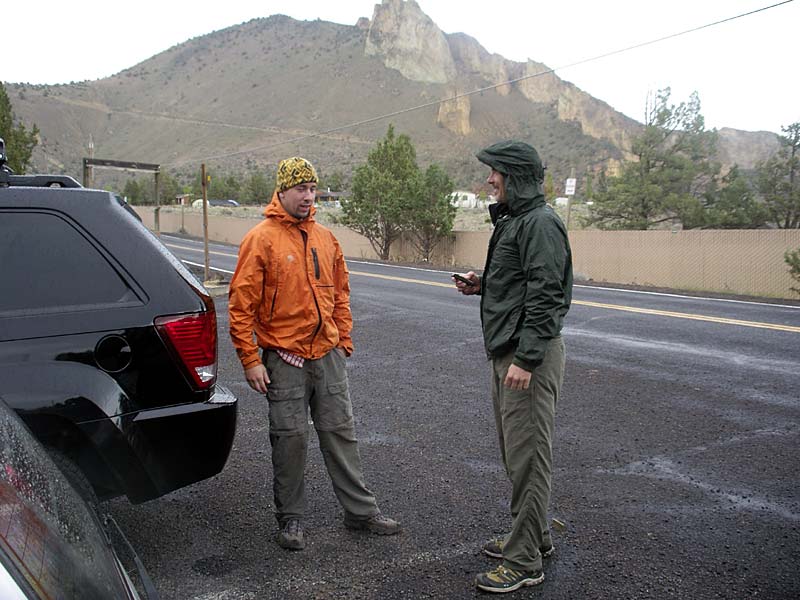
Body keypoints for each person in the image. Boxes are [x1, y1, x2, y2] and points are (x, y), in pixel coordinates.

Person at [229, 156, 400, 551]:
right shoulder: (261, 239)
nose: (309, 196)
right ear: (283, 190)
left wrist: (343, 341)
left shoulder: (326, 237)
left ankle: (360, 512)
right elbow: (241, 306)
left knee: (341, 432)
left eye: (313, 189)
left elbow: (340, 294)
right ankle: (291, 520)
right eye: (301, 189)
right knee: (289, 439)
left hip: (327, 355)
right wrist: (251, 360)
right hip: (283, 359)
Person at [453, 141, 572, 593]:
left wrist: (526, 357)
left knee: (528, 458)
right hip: (510, 350)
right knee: (517, 455)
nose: (489, 179)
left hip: (527, 358)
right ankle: (534, 537)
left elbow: (547, 296)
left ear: (516, 175)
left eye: (496, 172)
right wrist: (483, 285)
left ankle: (524, 562)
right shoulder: (518, 221)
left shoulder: (540, 224)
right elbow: (521, 282)